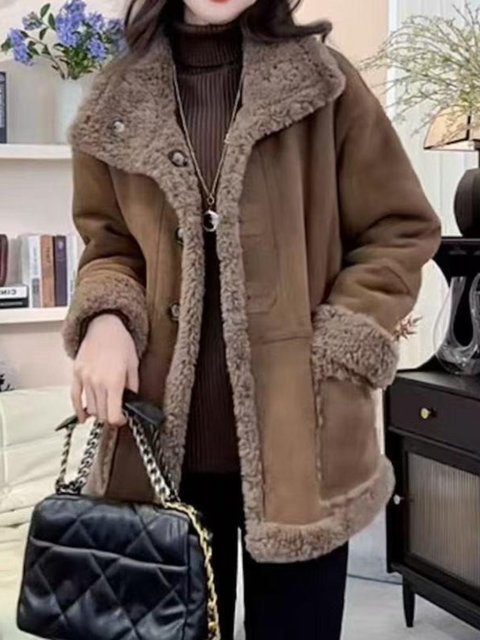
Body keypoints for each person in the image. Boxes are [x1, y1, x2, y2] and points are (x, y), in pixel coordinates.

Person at [63, 0, 442, 638]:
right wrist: (104, 318)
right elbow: (108, 245)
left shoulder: (325, 84)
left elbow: (400, 229)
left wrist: (341, 342)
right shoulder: (116, 99)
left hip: (304, 444)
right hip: (157, 451)